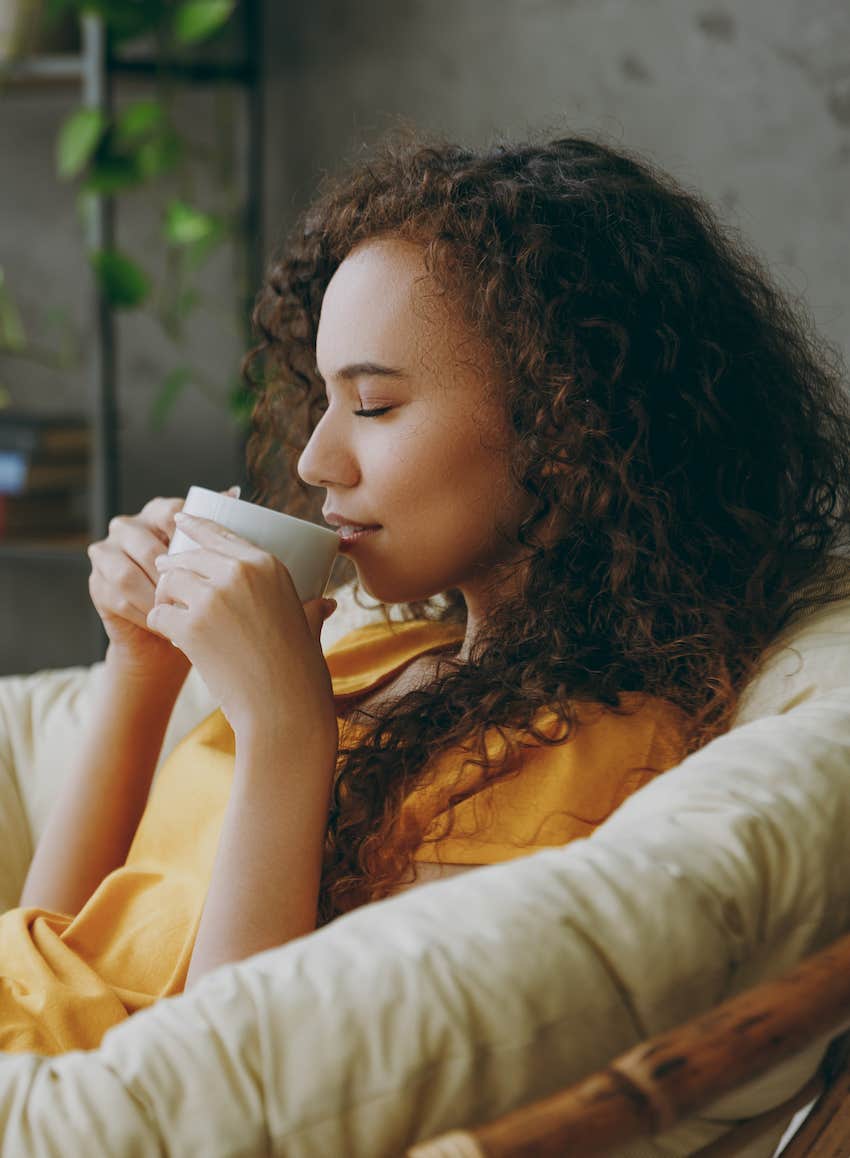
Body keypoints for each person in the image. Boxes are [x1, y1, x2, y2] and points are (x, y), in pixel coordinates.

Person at [2, 127, 849, 1056]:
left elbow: (240, 1089)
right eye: (321, 398)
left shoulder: (581, 758)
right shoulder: (375, 652)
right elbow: (50, 953)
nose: (315, 459)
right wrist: (142, 661)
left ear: (568, 425)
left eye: (372, 406)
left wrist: (287, 736)